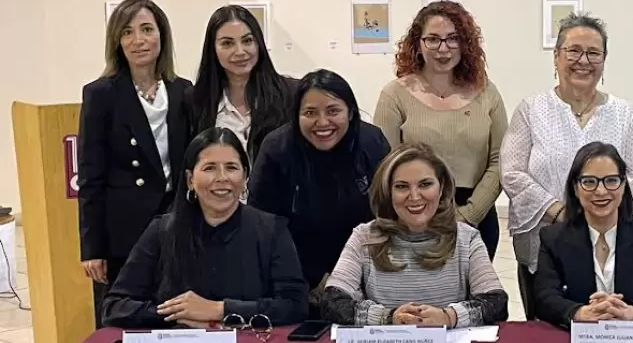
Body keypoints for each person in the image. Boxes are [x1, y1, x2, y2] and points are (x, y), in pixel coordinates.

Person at [501, 12, 633, 320]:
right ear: (556, 56)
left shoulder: (624, 114)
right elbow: (512, 172)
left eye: (594, 53)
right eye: (573, 51)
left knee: (612, 324)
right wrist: (560, 211)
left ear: (604, 60)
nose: (583, 60)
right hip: (544, 243)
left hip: (611, 246)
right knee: (548, 327)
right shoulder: (531, 110)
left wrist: (598, 214)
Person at [102, 128, 308, 329]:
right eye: (210, 168)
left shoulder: (272, 230)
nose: (222, 178)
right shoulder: (161, 231)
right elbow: (114, 307)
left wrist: (219, 310)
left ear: (245, 176)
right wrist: (181, 315)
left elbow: (294, 305)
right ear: (190, 179)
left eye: (231, 168)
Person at [78, 0, 193, 328]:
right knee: (124, 321)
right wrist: (92, 248)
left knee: (175, 318)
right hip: (123, 231)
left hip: (176, 224)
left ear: (162, 35)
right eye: (127, 32)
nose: (138, 40)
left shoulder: (183, 91)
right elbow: (90, 177)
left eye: (147, 29)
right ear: (117, 41)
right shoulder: (101, 94)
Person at [248, 69, 390, 318]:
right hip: (296, 276)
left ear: (350, 112)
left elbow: (388, 214)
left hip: (365, 274)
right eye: (310, 113)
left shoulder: (372, 142)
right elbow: (263, 225)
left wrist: (351, 277)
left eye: (333, 111)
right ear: (296, 115)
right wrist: (313, 278)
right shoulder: (276, 149)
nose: (322, 122)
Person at [320, 143, 509, 328]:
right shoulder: (364, 237)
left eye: (425, 184)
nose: (415, 196)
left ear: (441, 187)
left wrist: (448, 317)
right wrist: (389, 318)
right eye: (402, 186)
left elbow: (496, 303)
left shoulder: (467, 238)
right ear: (388, 192)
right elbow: (331, 302)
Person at [374, 0, 507, 259]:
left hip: (477, 219)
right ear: (418, 44)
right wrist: (418, 216)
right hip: (414, 217)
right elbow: (385, 165)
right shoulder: (395, 95)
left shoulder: (487, 92)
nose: (443, 49)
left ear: (465, 43)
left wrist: (468, 215)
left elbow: (500, 159)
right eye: (433, 39)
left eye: (453, 39)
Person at [534, 142, 633, 327]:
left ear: (623, 185)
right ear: (575, 188)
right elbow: (544, 298)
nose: (601, 191)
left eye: (611, 181)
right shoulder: (553, 238)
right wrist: (579, 312)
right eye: (589, 182)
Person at [188, 5, 293, 162]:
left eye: (247, 41)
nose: (240, 51)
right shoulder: (195, 101)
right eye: (227, 43)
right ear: (213, 49)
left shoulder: (289, 93)